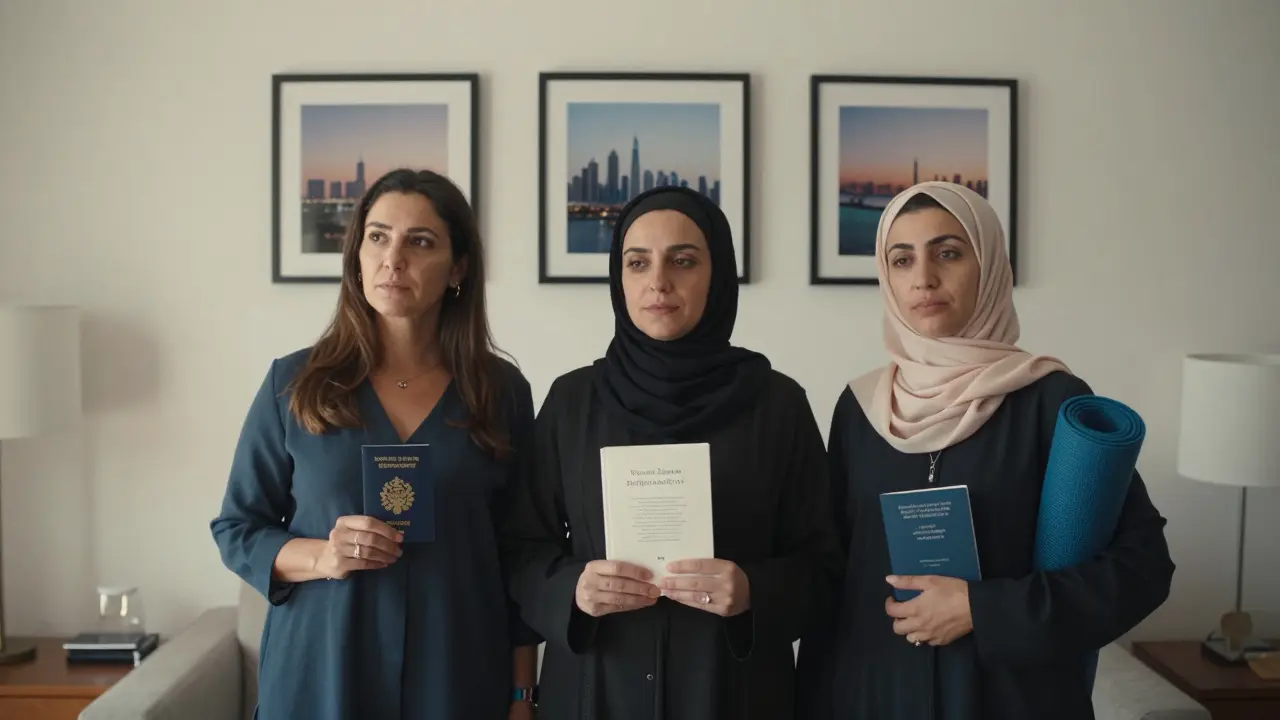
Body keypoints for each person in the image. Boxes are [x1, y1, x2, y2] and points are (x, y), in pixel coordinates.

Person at [794, 181, 1176, 719]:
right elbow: (831, 578)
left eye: (947, 253)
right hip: (875, 695)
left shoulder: (1051, 401)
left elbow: (1143, 568)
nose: (923, 278)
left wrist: (984, 610)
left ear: (991, 264)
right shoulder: (860, 409)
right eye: (902, 260)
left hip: (1010, 700)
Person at [501, 186, 844, 719]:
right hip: (597, 691)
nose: (658, 282)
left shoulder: (777, 404)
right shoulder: (573, 403)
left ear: (719, 274)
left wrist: (754, 591)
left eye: (682, 261)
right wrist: (573, 589)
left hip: (734, 692)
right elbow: (520, 549)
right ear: (619, 279)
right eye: (638, 263)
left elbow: (826, 567)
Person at [210, 168, 540, 720]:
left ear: (458, 267)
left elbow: (522, 554)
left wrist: (521, 695)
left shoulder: (500, 393)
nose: (394, 259)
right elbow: (237, 529)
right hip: (323, 672)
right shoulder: (293, 384)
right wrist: (322, 555)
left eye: (421, 242)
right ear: (357, 255)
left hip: (457, 673)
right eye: (379, 236)